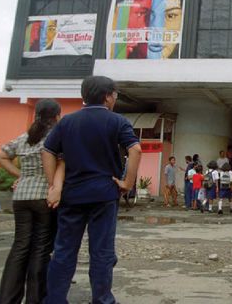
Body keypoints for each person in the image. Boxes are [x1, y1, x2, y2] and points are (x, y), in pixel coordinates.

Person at [42, 75, 142, 303]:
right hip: (104, 194)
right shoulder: (117, 121)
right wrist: (126, 183)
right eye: (115, 95)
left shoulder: (67, 122)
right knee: (102, 252)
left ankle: (55, 299)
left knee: (64, 251)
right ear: (107, 97)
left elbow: (47, 151)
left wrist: (53, 185)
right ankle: (102, 299)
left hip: (71, 195)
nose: (115, 99)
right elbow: (135, 150)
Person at [0, 100, 62, 303]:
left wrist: (21, 175)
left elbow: (1, 156)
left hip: (21, 198)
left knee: (20, 246)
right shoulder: (55, 136)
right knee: (41, 248)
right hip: (44, 195)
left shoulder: (26, 136)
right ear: (57, 116)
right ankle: (36, 298)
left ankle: (7, 299)